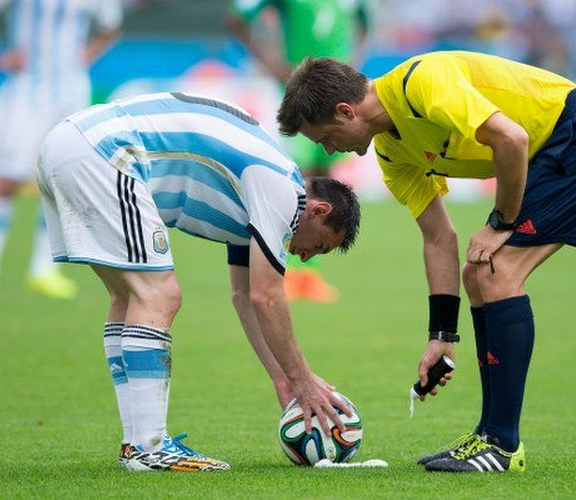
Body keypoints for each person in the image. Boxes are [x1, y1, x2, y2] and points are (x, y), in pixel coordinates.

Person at [277, 52, 576, 472]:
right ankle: (490, 436)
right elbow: (438, 236)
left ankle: (501, 444)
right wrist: (441, 336)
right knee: (479, 274)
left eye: (325, 138)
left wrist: (502, 222)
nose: (331, 150)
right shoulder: (392, 153)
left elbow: (511, 139)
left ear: (345, 111)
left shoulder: (421, 83)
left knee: (496, 272)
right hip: (547, 154)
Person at [37, 92, 361, 471]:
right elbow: (266, 297)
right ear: (319, 209)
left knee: (128, 296)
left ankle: (136, 444)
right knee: (159, 293)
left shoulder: (261, 195)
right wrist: (304, 379)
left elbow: (243, 296)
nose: (304, 257)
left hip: (67, 144)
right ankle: (149, 446)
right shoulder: (282, 191)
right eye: (317, 246)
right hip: (107, 154)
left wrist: (282, 379)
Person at [0, 0, 122, 299]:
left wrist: (86, 56)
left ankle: (44, 270)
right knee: (9, 179)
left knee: (61, 180)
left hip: (72, 92)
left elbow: (112, 27)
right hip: (27, 92)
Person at [228, 0, 369, 303]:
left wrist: (353, 65)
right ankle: (284, 271)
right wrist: (270, 64)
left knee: (323, 182)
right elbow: (237, 19)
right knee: (298, 182)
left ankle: (307, 274)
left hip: (339, 96)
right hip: (300, 97)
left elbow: (364, 24)